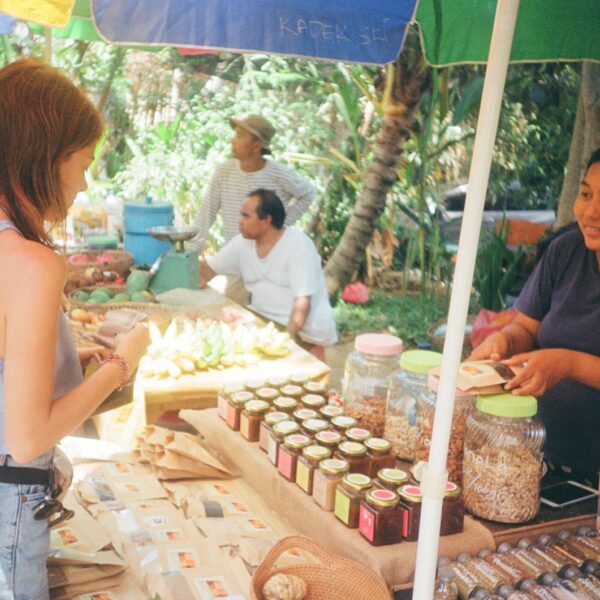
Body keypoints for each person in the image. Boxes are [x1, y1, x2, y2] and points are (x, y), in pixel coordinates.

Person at [0, 58, 149, 598]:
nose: (84, 184)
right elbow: (29, 435)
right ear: (45, 157)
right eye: (82, 163)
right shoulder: (32, 264)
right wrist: (121, 362)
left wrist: (69, 361)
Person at [470, 148, 600, 486]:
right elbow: (526, 326)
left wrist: (568, 363)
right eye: (586, 194)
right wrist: (505, 340)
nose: (592, 212)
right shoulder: (567, 251)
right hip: (538, 455)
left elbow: (566, 361)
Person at [189, 114, 316, 303]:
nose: (233, 139)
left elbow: (308, 193)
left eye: (240, 135)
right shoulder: (224, 172)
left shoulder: (278, 174)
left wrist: (277, 225)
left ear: (256, 146)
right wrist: (191, 251)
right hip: (234, 262)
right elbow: (206, 213)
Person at [200, 189, 337, 361]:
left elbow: (302, 303)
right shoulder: (242, 243)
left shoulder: (298, 246)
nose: (239, 221)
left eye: (246, 216)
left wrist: (286, 340)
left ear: (266, 220)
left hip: (304, 334)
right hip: (264, 323)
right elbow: (208, 270)